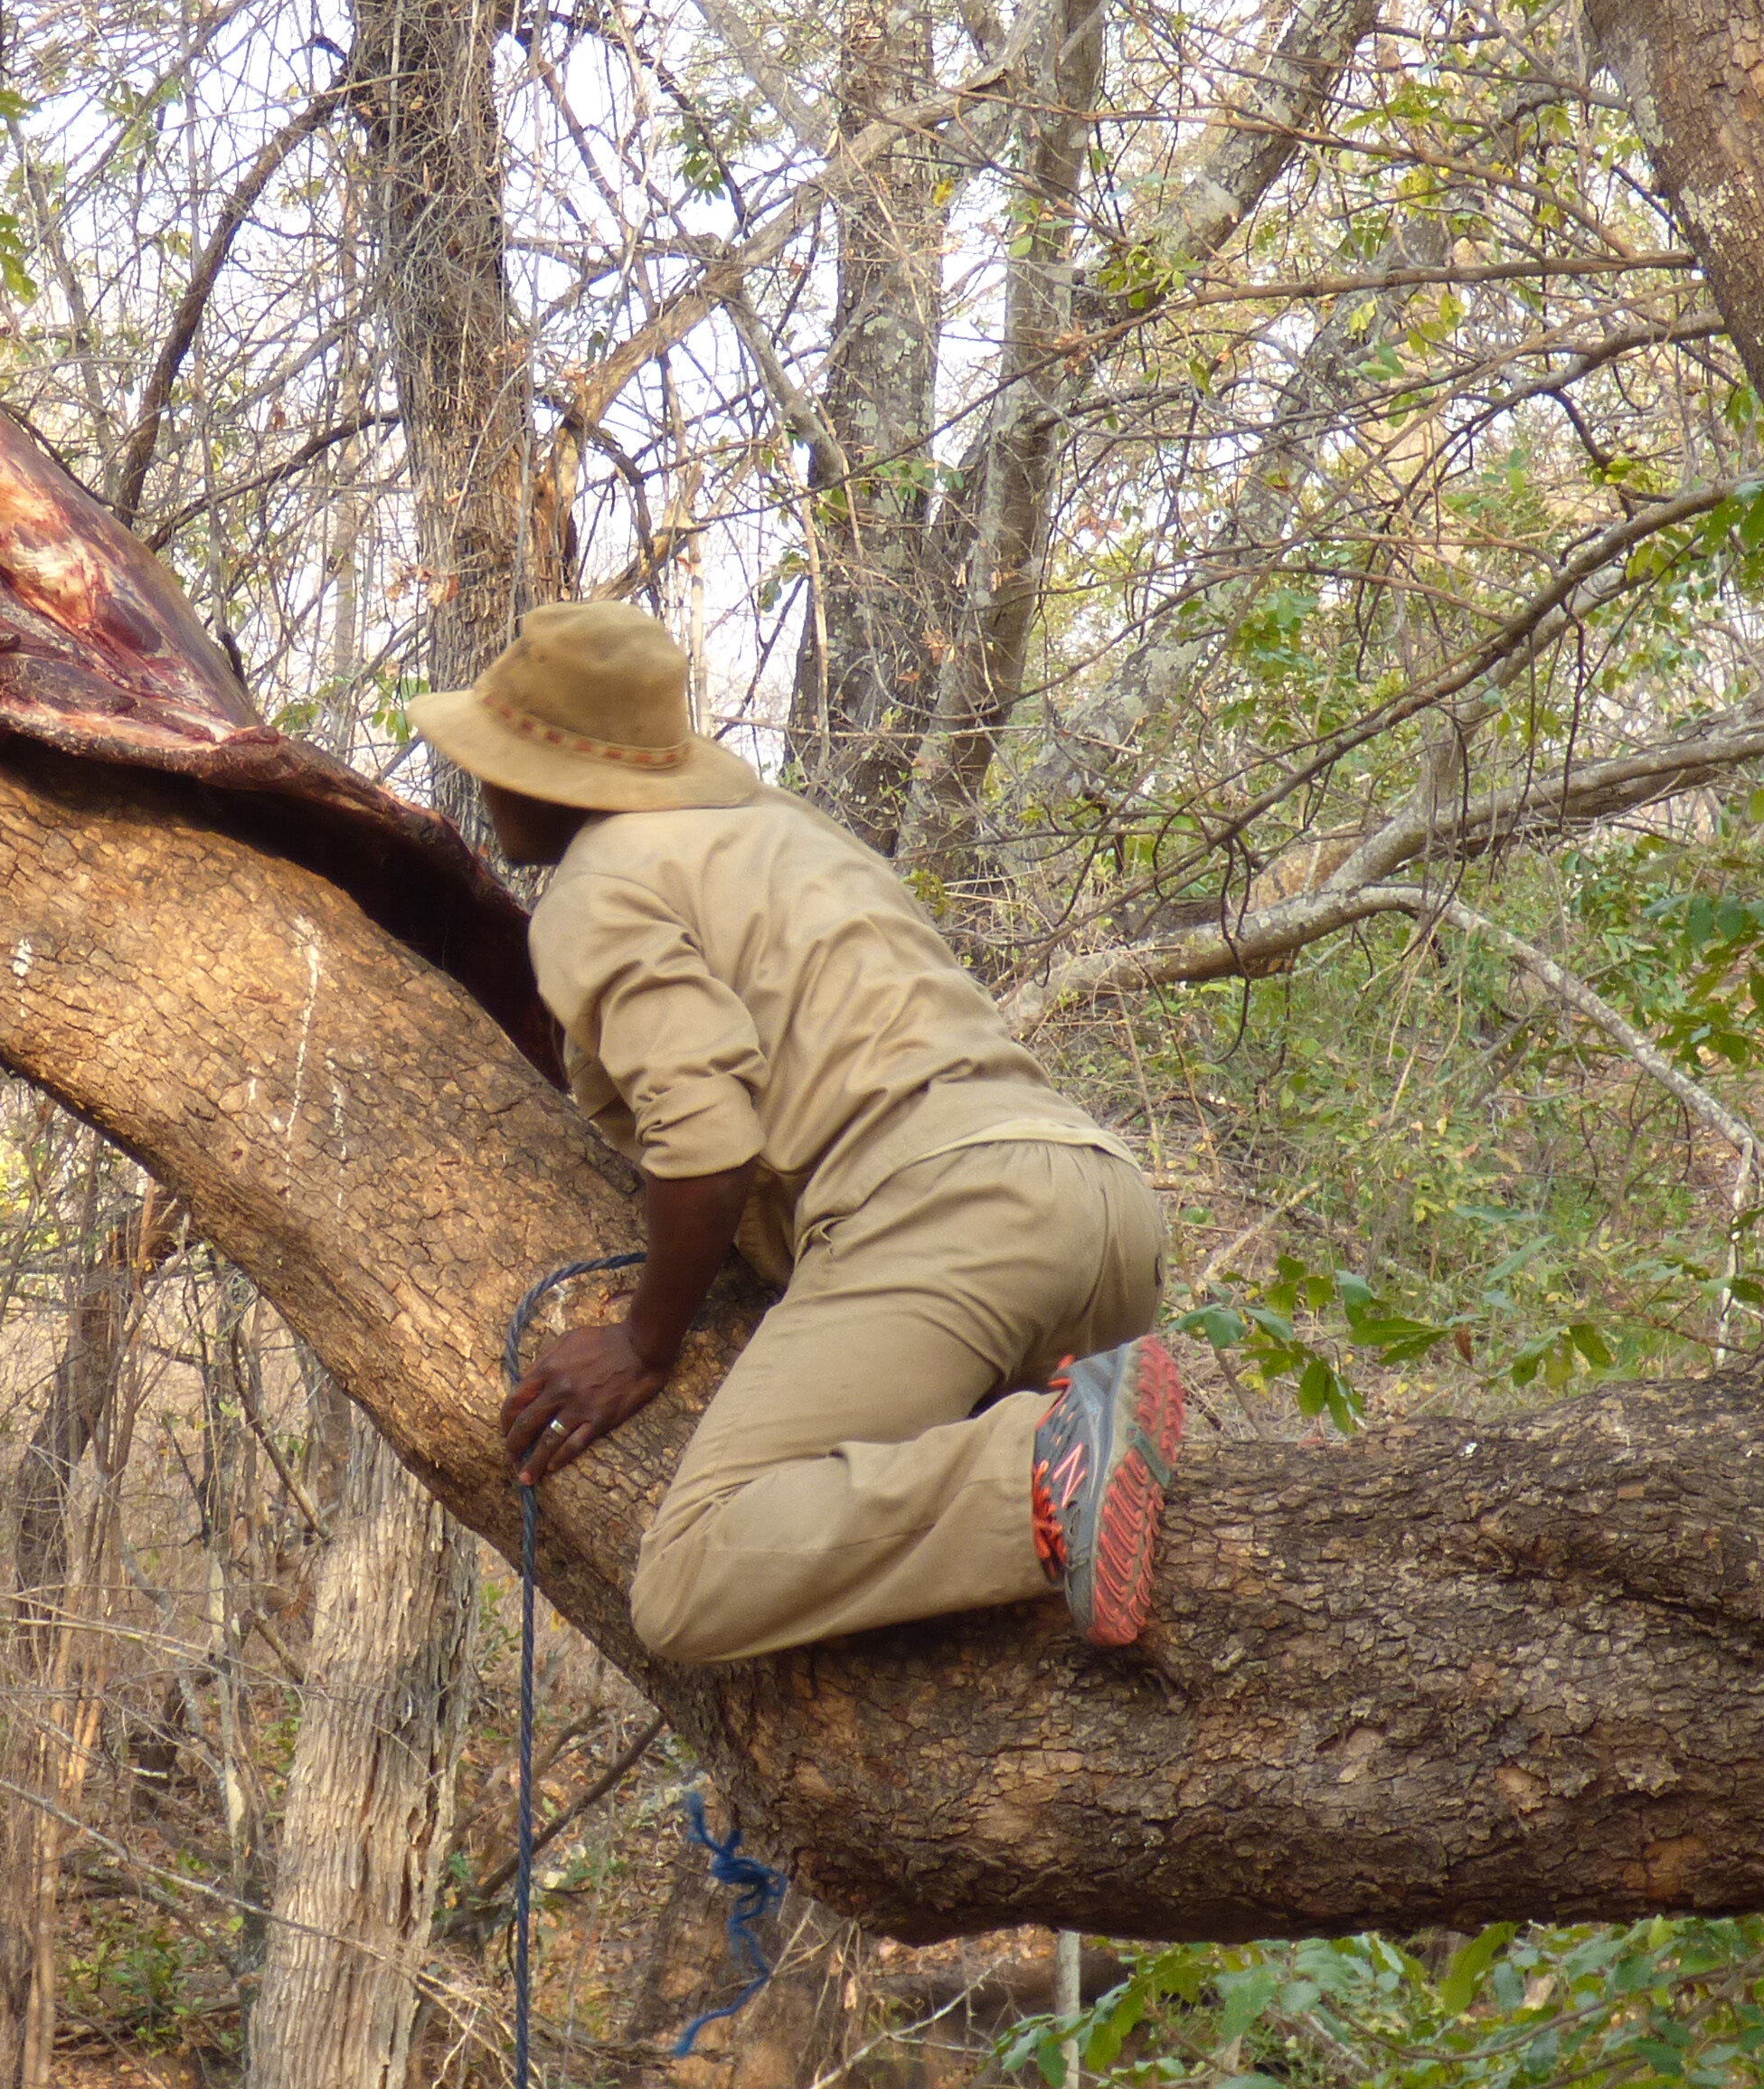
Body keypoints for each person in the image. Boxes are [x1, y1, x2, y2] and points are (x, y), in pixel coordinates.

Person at [414, 600, 1185, 1663]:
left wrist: (645, 1342)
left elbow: (707, 1135)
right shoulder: (779, 829)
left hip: (947, 1217)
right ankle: (1069, 1466)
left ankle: (1037, 1460)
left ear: (554, 774)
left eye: (494, 759)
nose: (482, 782)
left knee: (691, 1581)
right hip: (1102, 1204)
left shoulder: (595, 890)